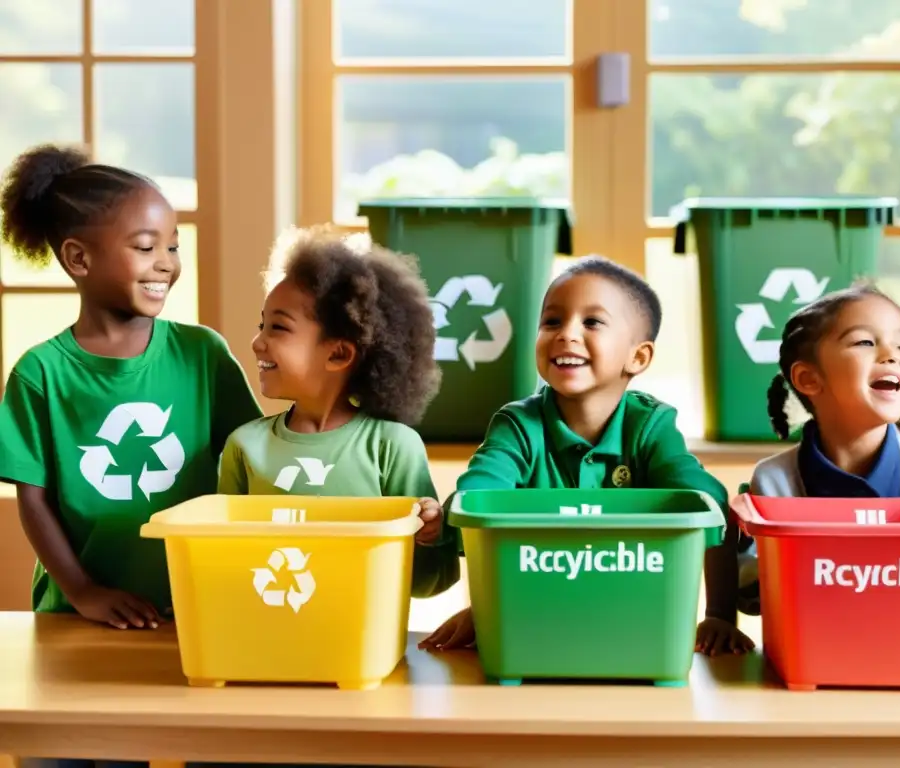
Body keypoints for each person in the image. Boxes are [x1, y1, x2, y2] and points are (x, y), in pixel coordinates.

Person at [0, 143, 262, 768]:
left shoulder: (202, 353)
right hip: (76, 618)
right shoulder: (41, 373)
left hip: (193, 610)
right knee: (67, 752)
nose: (167, 264)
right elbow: (32, 497)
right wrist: (84, 589)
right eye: (146, 247)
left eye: (174, 246)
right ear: (78, 258)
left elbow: (252, 460)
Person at [420, 255, 730, 650]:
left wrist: (719, 615)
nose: (566, 334)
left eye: (592, 322)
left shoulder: (651, 428)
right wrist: (486, 605)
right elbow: (478, 499)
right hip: (533, 619)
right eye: (551, 321)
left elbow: (711, 505)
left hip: (632, 624)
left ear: (638, 357)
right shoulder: (517, 425)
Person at [697, 283, 900, 656]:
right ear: (808, 379)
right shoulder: (774, 479)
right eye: (865, 343)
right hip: (816, 661)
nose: (892, 356)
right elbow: (751, 587)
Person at [217, 225, 460, 599]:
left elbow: (429, 583)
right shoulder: (244, 447)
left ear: (338, 353)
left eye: (278, 328)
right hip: (269, 633)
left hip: (360, 640)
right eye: (261, 325)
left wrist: (430, 537)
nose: (257, 342)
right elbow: (224, 567)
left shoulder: (392, 447)